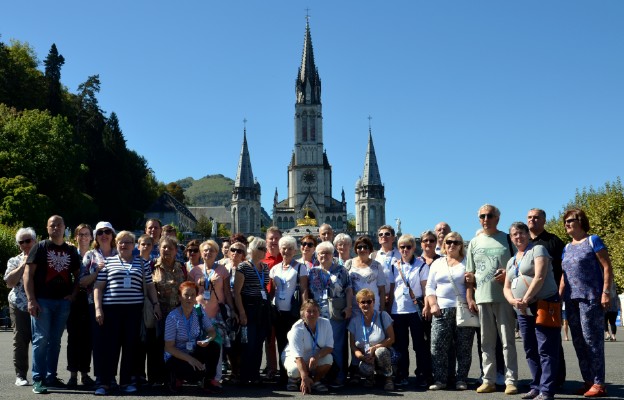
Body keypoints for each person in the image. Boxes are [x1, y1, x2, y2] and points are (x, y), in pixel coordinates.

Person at [94, 230, 161, 395]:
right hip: (111, 310)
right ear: (116, 244)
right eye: (121, 242)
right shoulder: (108, 262)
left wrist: (156, 304)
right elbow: (98, 287)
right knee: (110, 347)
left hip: (134, 310)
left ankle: (125, 381)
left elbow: (150, 285)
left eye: (128, 242)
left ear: (134, 246)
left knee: (130, 346)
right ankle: (106, 382)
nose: (124, 245)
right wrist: (98, 308)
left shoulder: (142, 263)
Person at [24, 215, 82, 394]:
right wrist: (31, 300)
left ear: (65, 227)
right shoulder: (40, 247)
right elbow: (28, 274)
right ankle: (38, 379)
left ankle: (51, 376)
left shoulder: (71, 251)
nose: (56, 228)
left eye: (59, 225)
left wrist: (73, 294)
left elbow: (79, 274)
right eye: (52, 225)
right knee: (41, 340)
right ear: (47, 228)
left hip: (62, 303)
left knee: (55, 341)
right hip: (42, 301)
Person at [465, 204, 518, 395]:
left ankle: (511, 379)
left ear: (497, 218)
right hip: (482, 297)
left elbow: (517, 266)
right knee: (486, 343)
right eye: (482, 216)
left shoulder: (507, 239)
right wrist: (470, 296)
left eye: (489, 215)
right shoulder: (474, 242)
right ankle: (489, 379)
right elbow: (469, 274)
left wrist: (508, 274)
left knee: (507, 341)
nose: (485, 219)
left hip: (504, 297)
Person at [503, 222, 561, 400]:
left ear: (528, 234)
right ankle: (536, 386)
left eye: (521, 233)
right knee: (530, 348)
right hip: (522, 308)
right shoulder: (511, 260)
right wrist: (514, 300)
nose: (518, 237)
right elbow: (506, 287)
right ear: (511, 239)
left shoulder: (538, 250)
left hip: (543, 303)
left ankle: (547, 390)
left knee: (546, 348)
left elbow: (540, 276)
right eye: (514, 234)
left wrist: (526, 298)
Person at [560, 208, 614, 397]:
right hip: (571, 299)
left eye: (570, 220)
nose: (566, 224)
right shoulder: (566, 248)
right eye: (565, 221)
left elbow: (607, 267)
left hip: (590, 298)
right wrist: (559, 296)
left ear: (581, 221)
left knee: (592, 341)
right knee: (578, 342)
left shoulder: (593, 240)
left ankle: (599, 383)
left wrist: (606, 292)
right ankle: (588, 381)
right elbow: (564, 275)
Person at [426, 232, 475, 391]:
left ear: (461, 245)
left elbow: (472, 284)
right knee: (437, 345)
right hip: (441, 309)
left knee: (464, 346)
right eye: (448, 242)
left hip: (463, 308)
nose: (451, 245)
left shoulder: (467, 262)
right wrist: (433, 304)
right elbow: (430, 286)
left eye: (455, 242)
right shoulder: (438, 263)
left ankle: (461, 379)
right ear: (444, 245)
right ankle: (441, 379)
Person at [527, 208, 567, 387]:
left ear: (544, 221)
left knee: (551, 342)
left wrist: (560, 293)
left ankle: (556, 380)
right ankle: (539, 380)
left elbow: (564, 271)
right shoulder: (522, 241)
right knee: (531, 342)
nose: (532, 220)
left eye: (536, 218)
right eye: (529, 217)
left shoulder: (554, 241)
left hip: (549, 297)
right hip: (527, 299)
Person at [191, 239, 236, 387]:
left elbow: (227, 293)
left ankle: (215, 378)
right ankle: (201, 376)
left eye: (212, 250)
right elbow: (189, 292)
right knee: (199, 345)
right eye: (205, 250)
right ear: (201, 253)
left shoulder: (222, 270)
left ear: (217, 253)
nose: (208, 252)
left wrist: (232, 310)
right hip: (199, 312)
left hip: (216, 313)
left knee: (217, 346)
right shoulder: (195, 270)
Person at [308, 241, 352, 387]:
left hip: (336, 312)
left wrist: (349, 307)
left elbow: (348, 289)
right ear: (317, 255)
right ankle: (323, 375)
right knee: (321, 345)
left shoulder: (341, 270)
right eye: (321, 253)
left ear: (332, 254)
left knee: (337, 345)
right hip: (318, 314)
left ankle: (339, 376)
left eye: (327, 253)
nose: (324, 256)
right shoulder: (313, 272)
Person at [163, 281, 221, 393]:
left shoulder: (199, 311)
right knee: (192, 374)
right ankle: (176, 378)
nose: (189, 298)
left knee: (214, 346)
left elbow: (212, 331)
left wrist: (207, 340)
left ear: (196, 297)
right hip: (176, 356)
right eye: (186, 295)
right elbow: (168, 347)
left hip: (193, 351)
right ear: (180, 297)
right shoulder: (172, 317)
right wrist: (191, 359)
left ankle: (208, 381)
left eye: (192, 295)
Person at [80, 223, 118, 388]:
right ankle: (101, 377)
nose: (104, 235)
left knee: (114, 342)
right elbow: (81, 281)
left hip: (117, 304)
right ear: (96, 237)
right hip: (94, 304)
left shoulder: (120, 253)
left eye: (107, 231)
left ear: (112, 234)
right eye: (100, 232)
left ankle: (112, 377)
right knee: (99, 341)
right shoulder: (90, 255)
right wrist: (97, 272)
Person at [390, 234, 431, 387]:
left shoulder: (421, 265)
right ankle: (402, 374)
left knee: (419, 344)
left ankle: (422, 374)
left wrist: (426, 305)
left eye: (408, 247)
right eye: (402, 247)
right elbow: (392, 288)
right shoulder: (394, 265)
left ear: (414, 248)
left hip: (415, 309)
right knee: (401, 345)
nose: (405, 250)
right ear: (398, 249)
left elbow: (426, 288)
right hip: (398, 309)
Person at [269, 235, 309, 385]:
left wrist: (304, 309)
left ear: (295, 251)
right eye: (284, 248)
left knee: (295, 343)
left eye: (290, 249)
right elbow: (273, 291)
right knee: (281, 343)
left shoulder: (300, 267)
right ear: (280, 250)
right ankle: (284, 375)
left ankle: (297, 375)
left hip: (294, 312)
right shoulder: (274, 269)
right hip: (279, 311)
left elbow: (304, 289)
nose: (286, 251)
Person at [148, 236, 187, 385]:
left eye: (170, 248)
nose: (167, 250)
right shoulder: (153, 266)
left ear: (176, 250)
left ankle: (173, 376)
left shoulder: (181, 267)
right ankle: (155, 377)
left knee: (176, 346)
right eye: (164, 247)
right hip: (159, 312)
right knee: (157, 345)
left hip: (177, 312)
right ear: (159, 249)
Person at [233, 237, 271, 385]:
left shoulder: (265, 267)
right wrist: (241, 312)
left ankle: (255, 375)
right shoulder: (243, 267)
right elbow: (237, 292)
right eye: (262, 249)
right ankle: (244, 375)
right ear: (253, 250)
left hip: (262, 308)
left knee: (258, 343)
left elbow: (266, 288)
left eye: (265, 249)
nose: (264, 252)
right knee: (248, 343)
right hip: (248, 307)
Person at [66, 223, 97, 388]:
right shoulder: (70, 254)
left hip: (91, 299)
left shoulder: (95, 255)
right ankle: (72, 375)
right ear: (76, 236)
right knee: (73, 338)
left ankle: (85, 374)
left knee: (88, 338)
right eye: (81, 234)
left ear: (91, 237)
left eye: (87, 234)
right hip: (74, 300)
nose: (84, 237)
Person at [4, 227, 36, 387]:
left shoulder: (43, 260)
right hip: (19, 304)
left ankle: (43, 375)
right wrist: (23, 265)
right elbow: (9, 282)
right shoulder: (14, 261)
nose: (25, 244)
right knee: (20, 340)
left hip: (40, 304)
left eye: (28, 240)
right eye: (21, 242)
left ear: (35, 241)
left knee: (42, 341)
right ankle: (21, 375)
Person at [282, 300, 334, 393]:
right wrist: (304, 376)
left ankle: (314, 381)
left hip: (314, 355)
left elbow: (329, 347)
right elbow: (298, 357)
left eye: (315, 311)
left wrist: (316, 356)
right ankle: (294, 379)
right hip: (294, 356)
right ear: (302, 314)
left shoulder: (326, 323)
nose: (312, 314)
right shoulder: (297, 328)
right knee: (294, 371)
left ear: (319, 312)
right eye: (308, 311)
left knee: (328, 359)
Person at [348, 288, 395, 391]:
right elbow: (353, 346)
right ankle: (370, 378)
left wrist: (376, 347)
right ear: (358, 304)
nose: (366, 304)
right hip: (365, 357)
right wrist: (362, 357)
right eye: (363, 302)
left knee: (381, 351)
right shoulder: (354, 321)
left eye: (369, 301)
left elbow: (391, 338)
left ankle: (388, 378)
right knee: (364, 368)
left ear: (373, 302)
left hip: (381, 354)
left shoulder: (383, 316)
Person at [223, 240, 247, 383]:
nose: (235, 253)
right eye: (233, 249)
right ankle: (234, 371)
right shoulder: (223, 267)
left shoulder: (246, 267)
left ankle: (241, 370)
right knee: (230, 341)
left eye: (239, 251)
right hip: (228, 308)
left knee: (242, 341)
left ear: (244, 255)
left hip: (242, 306)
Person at [262, 226, 283, 381]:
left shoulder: (286, 257)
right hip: (266, 303)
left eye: (277, 238)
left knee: (283, 337)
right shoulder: (261, 259)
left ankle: (284, 369)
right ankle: (271, 368)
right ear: (266, 240)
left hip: (282, 304)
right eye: (271, 238)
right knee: (270, 338)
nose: (274, 241)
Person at [372, 225, 400, 313]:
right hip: (379, 298)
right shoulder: (373, 256)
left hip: (397, 298)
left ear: (393, 238)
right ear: (378, 239)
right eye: (380, 235)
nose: (383, 236)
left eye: (387, 234)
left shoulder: (401, 254)